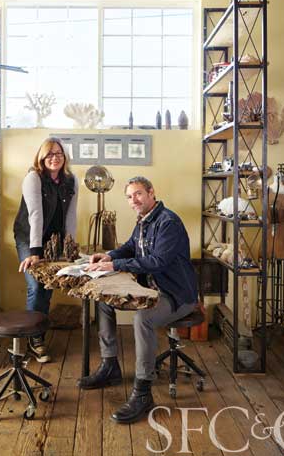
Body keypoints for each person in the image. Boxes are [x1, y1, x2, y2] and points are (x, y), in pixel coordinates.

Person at [78, 176, 198, 424]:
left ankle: (143, 393)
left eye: (138, 194)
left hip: (175, 294)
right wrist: (109, 256)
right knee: (103, 300)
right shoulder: (144, 221)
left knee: (143, 319)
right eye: (129, 196)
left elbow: (157, 262)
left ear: (152, 192)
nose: (133, 200)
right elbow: (130, 247)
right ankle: (110, 365)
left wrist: (115, 264)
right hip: (149, 290)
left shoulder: (168, 222)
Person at [13, 137, 78, 363]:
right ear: (41, 157)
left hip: (53, 239)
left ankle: (37, 334)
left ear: (64, 157)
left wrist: (70, 247)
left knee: (47, 285)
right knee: (36, 285)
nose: (54, 158)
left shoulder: (71, 180)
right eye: (49, 154)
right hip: (29, 237)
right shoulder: (33, 178)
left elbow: (71, 215)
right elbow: (35, 216)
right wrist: (34, 252)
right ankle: (35, 339)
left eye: (58, 153)